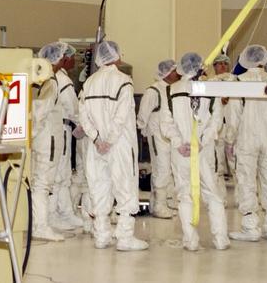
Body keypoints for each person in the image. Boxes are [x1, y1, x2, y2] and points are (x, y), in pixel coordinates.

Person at [79, 40, 148, 251]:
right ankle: (125, 238)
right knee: (125, 186)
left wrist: (97, 139)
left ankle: (102, 235)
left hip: (96, 146)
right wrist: (109, 139)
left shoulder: (88, 83)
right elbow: (122, 115)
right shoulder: (124, 81)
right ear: (116, 56)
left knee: (98, 187)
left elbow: (83, 115)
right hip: (119, 145)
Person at [164, 52, 230, 251]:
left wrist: (179, 143)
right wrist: (201, 142)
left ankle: (190, 241)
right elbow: (216, 122)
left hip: (181, 152)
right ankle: (220, 240)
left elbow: (166, 124)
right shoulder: (210, 90)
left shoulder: (171, 91)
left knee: (184, 194)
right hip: (204, 152)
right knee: (213, 194)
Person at [224, 44, 267, 241]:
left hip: (247, 140)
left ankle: (251, 228)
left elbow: (233, 117)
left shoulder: (239, 82)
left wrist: (230, 141)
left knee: (246, 182)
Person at [30, 43, 70, 241]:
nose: (65, 61)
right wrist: (33, 135)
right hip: (47, 140)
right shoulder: (51, 82)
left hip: (41, 138)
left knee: (39, 183)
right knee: (43, 184)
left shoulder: (39, 78)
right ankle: (40, 226)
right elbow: (40, 113)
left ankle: (38, 223)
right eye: (63, 57)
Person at [50, 44, 86, 231]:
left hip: (59, 128)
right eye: (72, 57)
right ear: (63, 58)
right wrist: (84, 125)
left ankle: (64, 213)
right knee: (59, 174)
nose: (75, 61)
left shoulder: (55, 78)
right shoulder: (63, 81)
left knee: (62, 174)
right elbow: (72, 109)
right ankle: (53, 214)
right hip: (61, 128)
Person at [137, 59, 179, 218]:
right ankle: (159, 205)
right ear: (167, 72)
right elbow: (142, 115)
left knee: (169, 169)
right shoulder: (154, 91)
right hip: (157, 136)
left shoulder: (174, 89)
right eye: (174, 71)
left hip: (171, 136)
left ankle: (165, 200)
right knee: (161, 169)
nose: (177, 74)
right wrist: (144, 133)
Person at [210, 53, 234, 182]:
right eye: (220, 64)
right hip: (217, 128)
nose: (223, 66)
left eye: (225, 64)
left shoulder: (236, 81)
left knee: (235, 163)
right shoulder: (209, 83)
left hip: (233, 127)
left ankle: (242, 197)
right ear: (214, 67)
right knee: (218, 163)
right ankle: (220, 198)